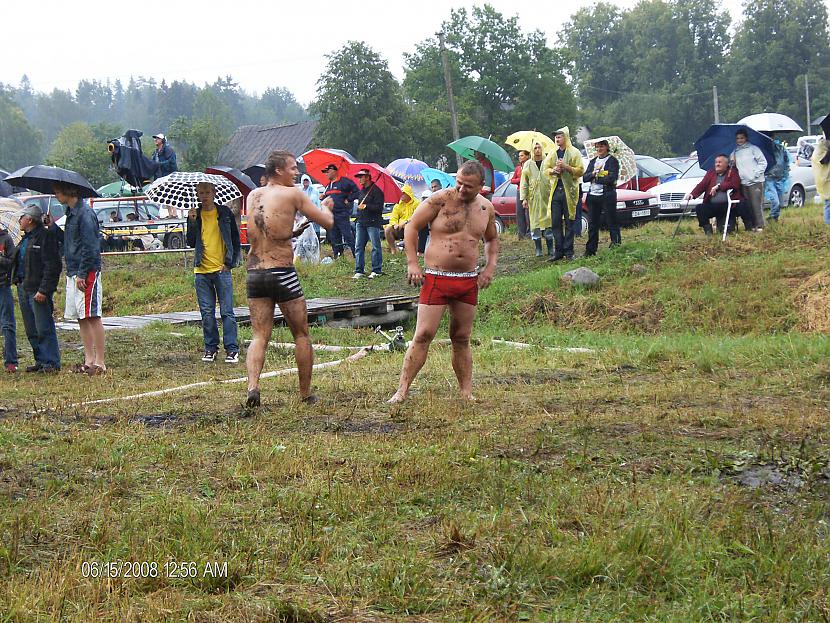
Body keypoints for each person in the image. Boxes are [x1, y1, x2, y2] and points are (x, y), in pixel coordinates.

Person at [388, 160, 499, 404]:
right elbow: (412, 227)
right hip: (437, 277)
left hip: (468, 280)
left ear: (481, 186)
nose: (461, 189)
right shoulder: (440, 199)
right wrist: (412, 263)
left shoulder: (486, 208)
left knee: (461, 337)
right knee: (423, 334)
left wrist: (489, 267)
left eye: (468, 186)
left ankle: (466, 392)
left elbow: (491, 240)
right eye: (458, 183)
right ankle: (402, 390)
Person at [244, 150, 334, 408]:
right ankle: (305, 394)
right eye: (293, 168)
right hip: (282, 271)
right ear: (279, 170)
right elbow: (327, 223)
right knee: (301, 334)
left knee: (260, 335)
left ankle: (253, 386)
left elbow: (264, 229)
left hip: (255, 272)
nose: (297, 173)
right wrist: (326, 206)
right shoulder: (293, 193)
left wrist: (291, 232)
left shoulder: (253, 195)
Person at [185, 181, 242, 364]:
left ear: (214, 192)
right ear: (197, 194)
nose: (204, 195)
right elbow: (191, 242)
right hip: (201, 270)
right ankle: (211, 348)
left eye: (207, 192)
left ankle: (232, 349)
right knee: (207, 312)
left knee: (227, 312)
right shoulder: (195, 214)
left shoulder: (224, 213)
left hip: (221, 269)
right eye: (201, 192)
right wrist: (192, 222)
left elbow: (235, 238)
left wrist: (230, 263)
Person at [57, 181, 106, 375]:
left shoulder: (85, 213)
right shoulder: (70, 214)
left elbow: (90, 246)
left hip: (86, 272)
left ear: (68, 191)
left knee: (92, 315)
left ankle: (100, 362)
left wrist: (83, 273)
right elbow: (70, 243)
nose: (55, 194)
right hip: (73, 270)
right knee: (81, 317)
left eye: (57, 191)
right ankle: (89, 359)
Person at [11, 204, 62, 373]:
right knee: (31, 328)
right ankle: (40, 359)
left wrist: (44, 290)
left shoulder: (45, 237)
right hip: (24, 286)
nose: (19, 220)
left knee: (43, 326)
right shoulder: (26, 238)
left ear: (30, 219)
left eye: (22, 217)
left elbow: (53, 266)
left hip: (37, 288)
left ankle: (51, 362)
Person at [543, 127, 585, 261]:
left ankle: (569, 251)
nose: (557, 139)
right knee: (555, 222)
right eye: (556, 137)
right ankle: (558, 251)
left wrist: (567, 167)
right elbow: (545, 168)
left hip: (570, 191)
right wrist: (553, 171)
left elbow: (581, 170)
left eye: (560, 136)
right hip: (556, 190)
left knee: (569, 221)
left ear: (566, 137)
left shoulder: (574, 152)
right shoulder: (552, 153)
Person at [685, 154, 752, 235]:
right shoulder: (711, 172)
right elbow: (702, 185)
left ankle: (749, 229)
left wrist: (719, 186)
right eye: (716, 162)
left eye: (720, 162)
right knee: (700, 208)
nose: (717, 164)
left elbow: (735, 184)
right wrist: (692, 194)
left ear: (726, 164)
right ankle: (708, 232)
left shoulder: (732, 172)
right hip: (713, 205)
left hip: (730, 206)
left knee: (743, 204)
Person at [583, 139, 620, 255]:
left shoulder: (612, 161)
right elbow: (585, 177)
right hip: (593, 196)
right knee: (593, 224)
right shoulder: (593, 161)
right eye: (597, 147)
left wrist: (597, 178)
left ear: (607, 147)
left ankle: (616, 245)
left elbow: (612, 178)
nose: (599, 149)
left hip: (607, 195)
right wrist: (594, 174)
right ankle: (591, 249)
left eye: (602, 147)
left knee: (611, 221)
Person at [730, 128, 767, 231]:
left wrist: (755, 174)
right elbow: (732, 166)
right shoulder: (735, 152)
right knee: (748, 205)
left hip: (756, 182)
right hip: (743, 183)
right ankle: (752, 226)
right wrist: (732, 161)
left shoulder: (753, 149)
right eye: (738, 138)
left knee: (756, 205)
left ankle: (760, 226)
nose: (740, 140)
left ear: (746, 138)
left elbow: (763, 162)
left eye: (742, 138)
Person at [520, 142, 553, 257]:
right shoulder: (528, 164)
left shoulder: (548, 161)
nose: (537, 150)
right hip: (533, 198)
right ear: (532, 150)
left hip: (547, 196)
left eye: (539, 148)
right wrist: (524, 198)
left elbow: (553, 178)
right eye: (535, 148)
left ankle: (550, 247)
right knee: (535, 224)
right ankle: (538, 248)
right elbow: (524, 182)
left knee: (548, 223)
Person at [352, 168, 385, 279]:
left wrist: (367, 206)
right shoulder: (361, 191)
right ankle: (359, 270)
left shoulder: (377, 191)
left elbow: (380, 208)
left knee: (375, 246)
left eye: (361, 177)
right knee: (359, 247)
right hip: (361, 221)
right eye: (359, 177)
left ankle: (377, 270)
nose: (359, 179)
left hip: (373, 222)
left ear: (367, 177)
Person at [321, 164, 359, 259]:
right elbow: (330, 198)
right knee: (334, 237)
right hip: (331, 215)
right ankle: (338, 256)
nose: (326, 174)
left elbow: (357, 191)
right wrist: (323, 197)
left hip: (342, 214)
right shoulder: (328, 186)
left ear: (334, 171)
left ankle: (356, 255)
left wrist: (349, 199)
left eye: (328, 171)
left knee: (348, 235)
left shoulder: (344, 182)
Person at [0, 220, 17, 372]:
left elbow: (12, 261)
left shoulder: (6, 239)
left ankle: (11, 360)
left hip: (3, 286)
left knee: (7, 324)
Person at [384, 184, 420, 255]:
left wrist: (406, 222)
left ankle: (410, 250)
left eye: (403, 193)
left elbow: (417, 217)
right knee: (387, 229)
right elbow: (393, 217)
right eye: (401, 193)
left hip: (412, 227)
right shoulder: (398, 204)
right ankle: (393, 250)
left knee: (407, 227)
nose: (401, 195)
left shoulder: (417, 203)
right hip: (399, 228)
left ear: (408, 194)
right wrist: (394, 224)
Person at [764, 135, 791, 222]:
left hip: (779, 178)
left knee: (780, 202)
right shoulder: (764, 149)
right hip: (769, 178)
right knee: (775, 201)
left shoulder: (781, 149)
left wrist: (785, 173)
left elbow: (786, 161)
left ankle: (774, 218)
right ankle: (772, 217)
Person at [511, 150, 530, 239]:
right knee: (520, 212)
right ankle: (521, 234)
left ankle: (530, 233)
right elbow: (512, 180)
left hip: (528, 191)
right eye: (519, 156)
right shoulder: (518, 168)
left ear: (527, 156)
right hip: (519, 191)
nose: (520, 157)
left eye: (522, 155)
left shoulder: (530, 166)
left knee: (528, 213)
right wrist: (520, 179)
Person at [811, 133, 830, 224]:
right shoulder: (821, 147)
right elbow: (823, 160)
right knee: (828, 202)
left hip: (827, 178)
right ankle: (827, 223)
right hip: (825, 180)